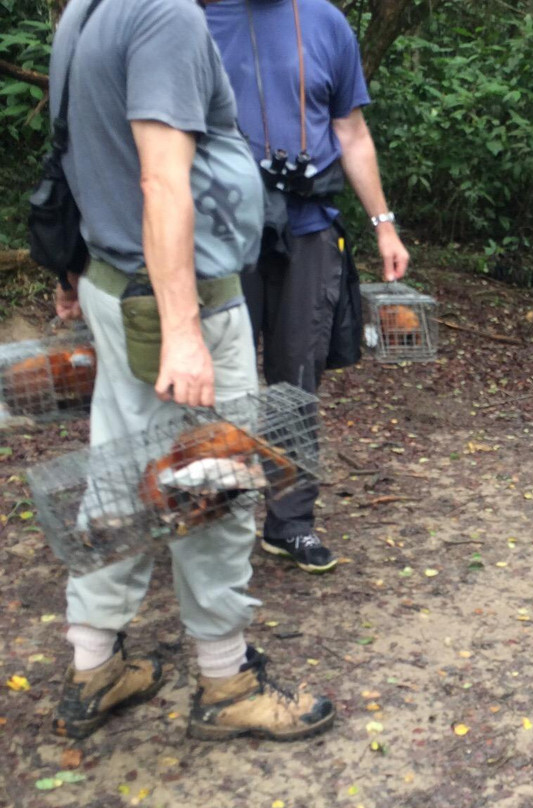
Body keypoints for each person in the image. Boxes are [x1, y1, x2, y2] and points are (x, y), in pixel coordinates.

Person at [49, 0, 334, 742]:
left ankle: (95, 666)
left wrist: (72, 264)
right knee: (214, 486)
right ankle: (224, 680)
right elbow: (160, 180)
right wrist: (182, 331)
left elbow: (79, 151)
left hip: (115, 282)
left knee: (120, 485)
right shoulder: (165, 16)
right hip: (176, 304)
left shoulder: (88, 10)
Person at [206, 0, 410, 574]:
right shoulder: (195, 19)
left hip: (311, 227)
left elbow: (351, 132)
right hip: (224, 233)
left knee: (296, 383)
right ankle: (215, 527)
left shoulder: (325, 22)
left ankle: (290, 525)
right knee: (224, 383)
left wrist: (384, 226)